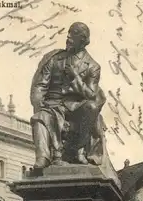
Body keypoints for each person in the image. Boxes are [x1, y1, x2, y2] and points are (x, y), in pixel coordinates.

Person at [30, 22, 106, 168]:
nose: (69, 37)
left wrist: (76, 77)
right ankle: (43, 158)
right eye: (68, 33)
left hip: (76, 107)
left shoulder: (93, 66)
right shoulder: (54, 58)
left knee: (90, 107)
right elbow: (41, 85)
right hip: (53, 104)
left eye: (73, 34)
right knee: (39, 117)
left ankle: (78, 150)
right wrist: (38, 103)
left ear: (82, 40)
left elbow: (91, 94)